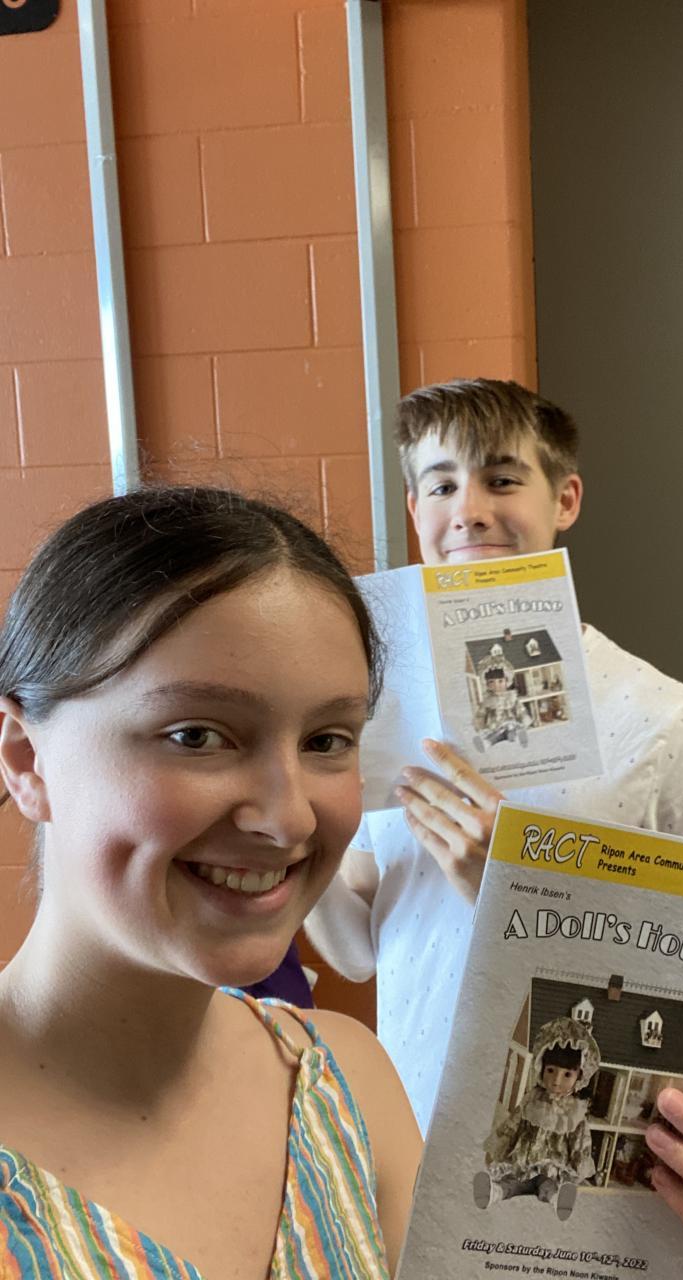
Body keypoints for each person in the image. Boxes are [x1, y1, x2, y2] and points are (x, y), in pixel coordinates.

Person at [306, 379, 683, 1278]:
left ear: (564, 499)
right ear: (414, 509)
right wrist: (302, 815)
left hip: (571, 1193)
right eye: (441, 484)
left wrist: (522, 881)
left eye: (502, 479)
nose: (468, 509)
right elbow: (356, 950)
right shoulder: (384, 717)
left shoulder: (660, 719)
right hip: (402, 1154)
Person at [0, 486, 421, 1279]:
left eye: (327, 740)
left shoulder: (349, 1088)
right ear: (27, 760)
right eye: (197, 735)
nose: (288, 818)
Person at [475, 1016, 599, 1220]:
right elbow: (513, 1125)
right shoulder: (532, 1099)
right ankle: (493, 1193)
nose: (556, 1080)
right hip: (523, 1161)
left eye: (567, 1075)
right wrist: (497, 1149)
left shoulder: (575, 1111)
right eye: (551, 1070)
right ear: (541, 1066)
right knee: (513, 1181)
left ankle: (558, 1201)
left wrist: (578, 1170)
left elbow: (580, 1143)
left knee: (547, 1186)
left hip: (552, 1167)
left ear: (580, 1076)